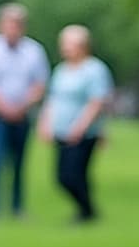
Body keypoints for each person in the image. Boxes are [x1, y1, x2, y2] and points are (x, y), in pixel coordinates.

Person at [0, 3, 50, 221]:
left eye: (17, 24)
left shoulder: (34, 51)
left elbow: (40, 83)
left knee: (19, 163)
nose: (13, 29)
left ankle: (17, 207)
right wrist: (3, 106)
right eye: (9, 24)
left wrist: (23, 105)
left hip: (23, 114)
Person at [38, 25, 113, 224]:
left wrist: (80, 127)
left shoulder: (94, 70)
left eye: (69, 45)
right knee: (63, 176)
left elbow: (96, 102)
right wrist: (45, 123)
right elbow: (53, 99)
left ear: (83, 46)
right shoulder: (61, 70)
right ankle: (86, 211)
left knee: (73, 175)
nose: (65, 49)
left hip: (84, 133)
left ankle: (87, 210)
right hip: (61, 131)